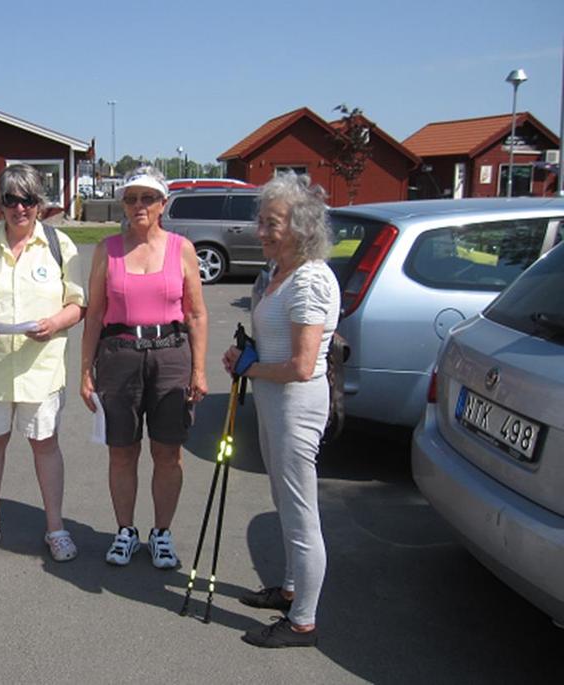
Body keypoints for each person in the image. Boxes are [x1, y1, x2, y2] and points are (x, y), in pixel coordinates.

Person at [222, 172, 340, 648]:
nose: (261, 231)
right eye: (261, 221)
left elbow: (301, 365)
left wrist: (251, 369)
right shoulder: (277, 273)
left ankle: (303, 622)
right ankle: (291, 590)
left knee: (300, 512)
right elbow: (276, 348)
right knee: (284, 502)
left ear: (301, 228)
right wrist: (248, 353)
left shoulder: (311, 280)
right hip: (274, 404)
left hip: (296, 406)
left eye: (271, 224)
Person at [0, 164, 86, 563]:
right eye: (11, 199)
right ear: (1, 204)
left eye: (28, 199)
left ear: (39, 205)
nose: (20, 208)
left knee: (45, 447)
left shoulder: (60, 245)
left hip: (40, 371)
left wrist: (54, 323)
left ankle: (56, 528)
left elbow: (76, 304)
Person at [79, 166, 208, 569]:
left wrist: (199, 369)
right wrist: (85, 370)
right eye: (131, 198)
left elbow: (198, 314)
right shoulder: (108, 249)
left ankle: (162, 533)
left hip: (171, 353)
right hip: (119, 355)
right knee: (122, 451)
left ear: (162, 204)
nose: (139, 206)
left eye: (147, 198)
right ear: (123, 204)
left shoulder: (181, 248)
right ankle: (125, 531)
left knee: (168, 451)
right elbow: (95, 313)